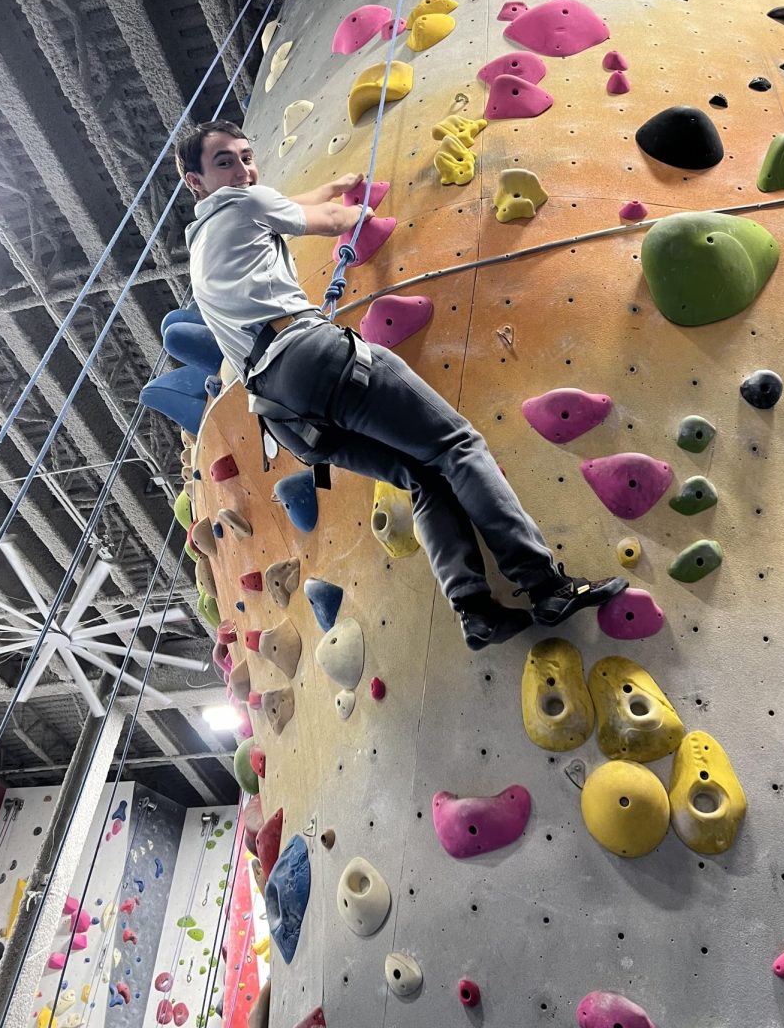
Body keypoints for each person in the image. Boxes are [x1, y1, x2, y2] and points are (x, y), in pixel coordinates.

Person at [175, 120, 627, 649]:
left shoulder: (205, 242)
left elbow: (288, 202)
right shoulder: (244, 205)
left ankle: (475, 610)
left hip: (282, 412)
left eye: (248, 156)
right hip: (312, 358)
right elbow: (327, 219)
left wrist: (333, 182)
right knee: (458, 446)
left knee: (422, 473)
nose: (244, 170)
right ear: (195, 181)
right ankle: (544, 585)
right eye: (225, 162)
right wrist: (360, 207)